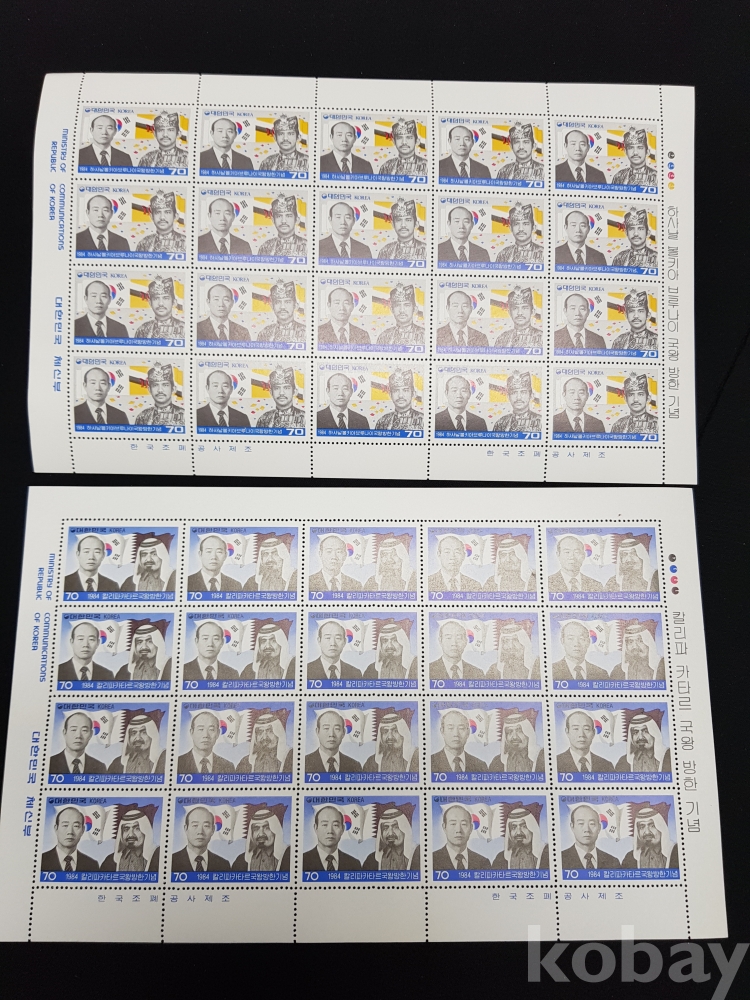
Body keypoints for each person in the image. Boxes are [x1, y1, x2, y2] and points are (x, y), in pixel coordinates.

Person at [231, 803, 291, 872]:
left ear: (275, 831)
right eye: (256, 828)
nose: (261, 834)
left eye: (267, 827)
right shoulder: (241, 861)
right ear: (251, 833)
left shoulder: (290, 855)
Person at [100, 804, 160, 872]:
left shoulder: (158, 857)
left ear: (145, 831)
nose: (131, 834)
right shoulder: (110, 861)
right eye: (126, 829)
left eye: (137, 828)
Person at [362, 802, 420, 871]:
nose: (390, 833)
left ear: (405, 829)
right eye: (385, 828)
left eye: (396, 827)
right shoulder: (371, 860)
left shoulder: (419, 854)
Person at [302, 805, 362, 872]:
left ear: (342, 829)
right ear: (316, 828)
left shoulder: (354, 864)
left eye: (335, 825)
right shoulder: (301, 861)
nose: (330, 831)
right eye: (325, 825)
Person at [171, 806, 230, 872]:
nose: (200, 831)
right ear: (186, 829)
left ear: (213, 830)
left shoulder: (224, 865)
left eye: (206, 826)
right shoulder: (171, 861)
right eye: (195, 825)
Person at [560, 804, 619, 870]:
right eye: (581, 823)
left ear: (599, 828)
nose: (587, 829)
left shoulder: (613, 862)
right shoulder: (559, 859)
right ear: (572, 827)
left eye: (592, 824)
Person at [40, 806, 99, 872]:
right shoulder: (40, 861)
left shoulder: (92, 865)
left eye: (76, 826)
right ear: (56, 828)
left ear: (82, 830)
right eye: (65, 825)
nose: (70, 832)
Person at [621, 803, 679, 870]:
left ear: (661, 828)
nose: (647, 832)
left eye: (652, 826)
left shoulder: (677, 852)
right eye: (642, 827)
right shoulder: (630, 858)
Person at [108, 710, 167, 775]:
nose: (138, 738)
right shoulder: (117, 763)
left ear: (152, 735)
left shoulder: (165, 758)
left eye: (143, 732)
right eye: (133, 733)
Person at [492, 804, 550, 870]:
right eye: (513, 827)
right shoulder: (500, 858)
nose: (518, 832)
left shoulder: (547, 853)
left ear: (532, 829)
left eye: (524, 826)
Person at [432, 804, 490, 870]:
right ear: (444, 827)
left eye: (464, 824)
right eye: (453, 824)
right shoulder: (431, 860)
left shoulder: (483, 863)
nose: (458, 830)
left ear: (471, 828)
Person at [305, 709, 363, 774]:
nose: (331, 734)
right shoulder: (304, 763)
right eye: (326, 728)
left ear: (343, 733)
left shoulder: (355, 766)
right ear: (317, 731)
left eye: (337, 729)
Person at [236, 709, 294, 774]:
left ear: (278, 734)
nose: (264, 737)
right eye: (260, 732)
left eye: (269, 731)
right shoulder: (245, 762)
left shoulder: (291, 758)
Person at [176, 709, 234, 774]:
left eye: (211, 729)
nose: (205, 735)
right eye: (201, 729)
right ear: (191, 732)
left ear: (218, 734)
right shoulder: (177, 763)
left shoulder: (228, 767)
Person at [49, 711, 106, 775]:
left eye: (84, 730)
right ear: (64, 733)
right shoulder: (49, 763)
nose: (78, 736)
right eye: (73, 730)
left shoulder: (100, 767)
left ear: (90, 734)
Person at [614, 710, 672, 774]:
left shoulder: (669, 756)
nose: (640, 737)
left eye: (645, 731)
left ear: (654, 734)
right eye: (635, 732)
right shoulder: (623, 762)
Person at [430, 709, 487, 774]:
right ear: (442, 731)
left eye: (461, 728)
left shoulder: (481, 766)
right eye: (450, 728)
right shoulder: (429, 762)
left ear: (468, 733)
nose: (456, 734)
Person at [134, 362, 184, 427]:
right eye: (155, 385)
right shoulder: (142, 417)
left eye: (165, 385)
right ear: (149, 389)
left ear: (173, 389)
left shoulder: (184, 415)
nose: (160, 390)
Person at [134, 276, 184, 340]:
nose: (160, 303)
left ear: (174, 302)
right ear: (150, 303)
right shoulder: (142, 330)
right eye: (156, 298)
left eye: (165, 298)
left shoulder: (184, 328)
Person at [494, 286, 542, 350]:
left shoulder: (542, 337)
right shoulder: (502, 338)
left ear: (533, 311)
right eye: (515, 308)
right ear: (509, 312)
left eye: (524, 308)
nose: (519, 313)